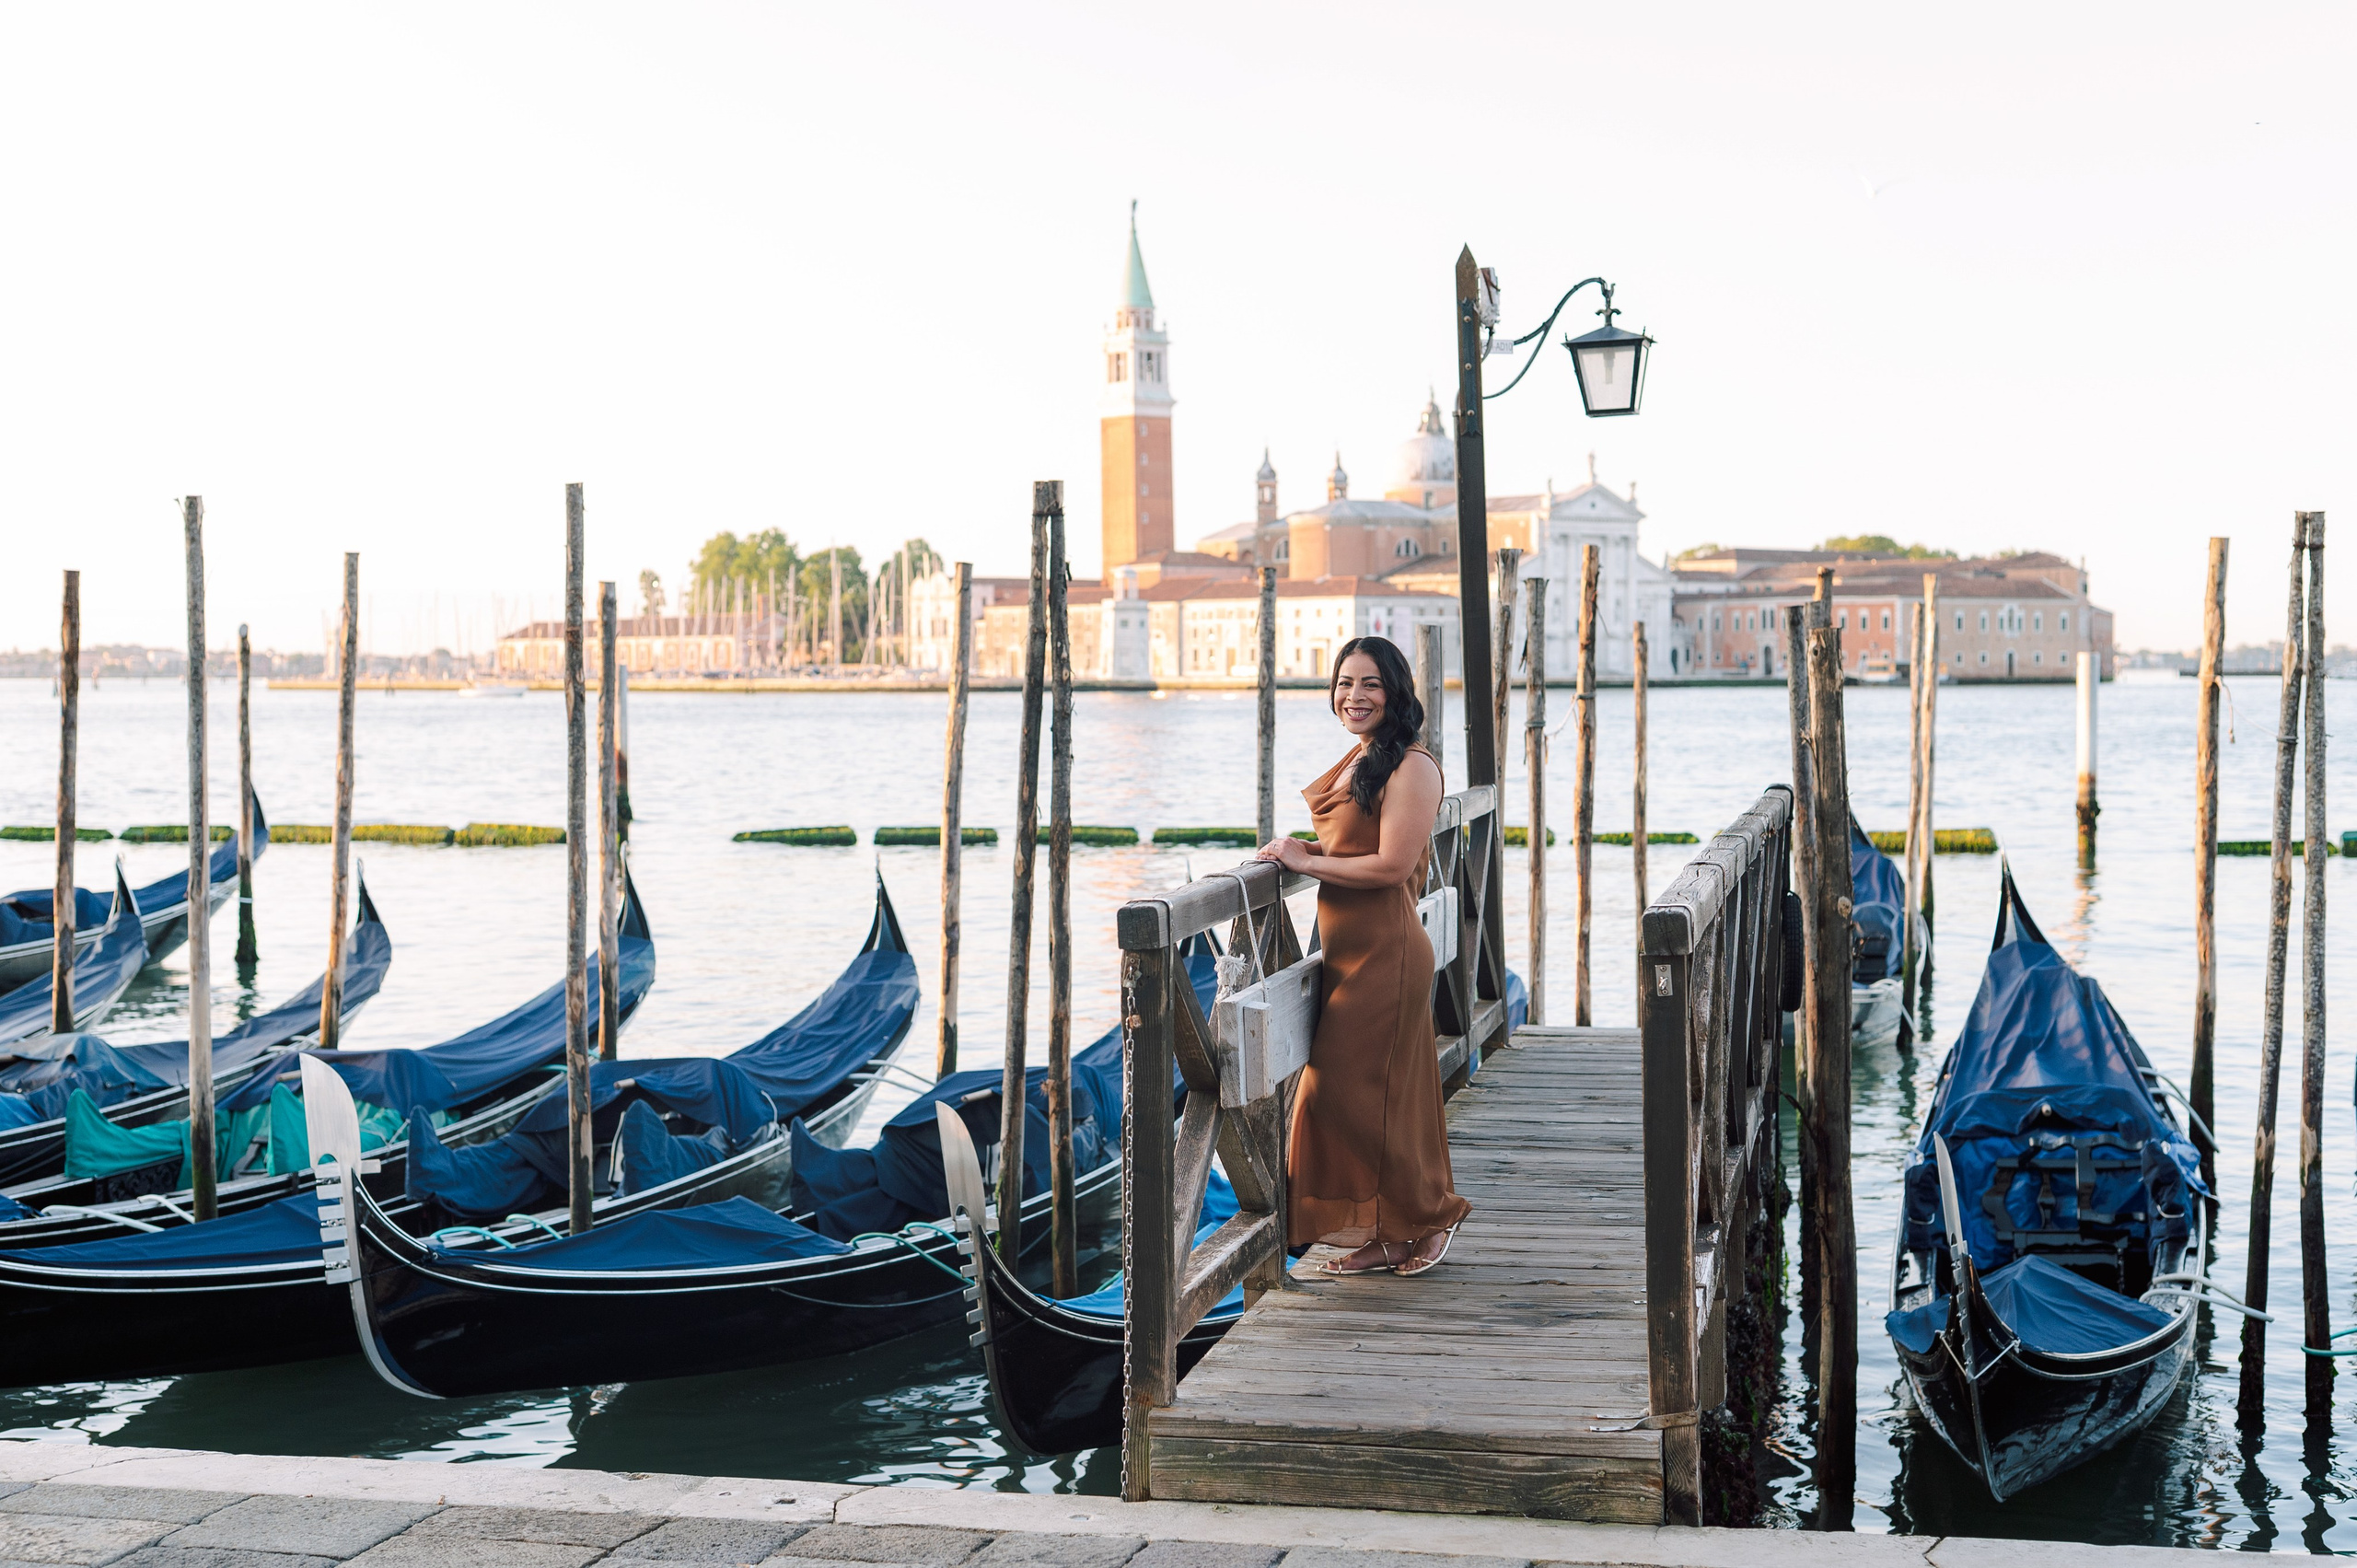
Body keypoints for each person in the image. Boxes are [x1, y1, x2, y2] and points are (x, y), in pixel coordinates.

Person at [1256, 635, 1469, 1277]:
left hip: (1388, 952)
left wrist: (1305, 859)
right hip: (1346, 951)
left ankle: (1433, 1217)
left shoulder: (1413, 765)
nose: (1354, 694)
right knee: (1359, 1099)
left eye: (1370, 683)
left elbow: (1392, 865)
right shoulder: (1363, 756)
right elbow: (1354, 840)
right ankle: (1389, 1231)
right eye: (1345, 682)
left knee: (1358, 1096)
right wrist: (1302, 847)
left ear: (1396, 689)